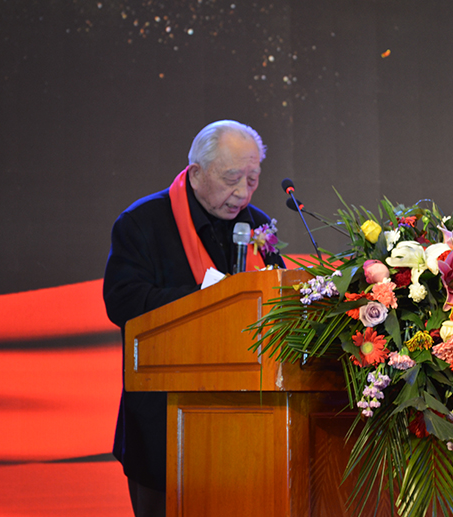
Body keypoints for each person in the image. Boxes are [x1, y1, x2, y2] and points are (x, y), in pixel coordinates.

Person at [103, 120, 283, 517]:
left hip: (247, 421)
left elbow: (279, 300)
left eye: (252, 179)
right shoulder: (142, 223)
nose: (243, 192)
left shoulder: (257, 225)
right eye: (232, 179)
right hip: (164, 421)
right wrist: (206, 299)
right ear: (197, 172)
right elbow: (123, 302)